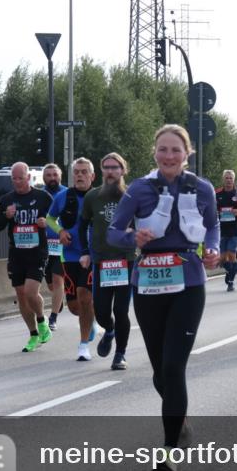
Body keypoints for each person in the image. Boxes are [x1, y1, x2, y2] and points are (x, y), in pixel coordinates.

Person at [108, 125, 220, 471]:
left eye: (176, 150)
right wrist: (132, 236)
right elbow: (112, 231)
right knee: (160, 372)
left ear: (188, 153)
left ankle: (169, 450)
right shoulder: (139, 189)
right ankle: (180, 417)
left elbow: (213, 225)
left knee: (174, 368)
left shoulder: (201, 189)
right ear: (154, 152)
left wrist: (214, 248)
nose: (169, 156)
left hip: (188, 282)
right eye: (163, 150)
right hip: (149, 285)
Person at [79, 153, 134, 370]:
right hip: (101, 261)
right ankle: (108, 331)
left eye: (115, 167)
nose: (110, 172)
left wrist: (136, 234)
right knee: (101, 311)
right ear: (102, 172)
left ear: (123, 170)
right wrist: (85, 251)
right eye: (106, 168)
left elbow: (144, 222)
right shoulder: (93, 197)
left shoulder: (131, 196)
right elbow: (82, 226)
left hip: (126, 260)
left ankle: (120, 354)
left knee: (121, 310)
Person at [0, 162, 53, 352]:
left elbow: (57, 222)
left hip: (37, 251)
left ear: (29, 178)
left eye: (21, 178)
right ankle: (33, 334)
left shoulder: (43, 197)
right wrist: (6, 215)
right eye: (14, 178)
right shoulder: (6, 200)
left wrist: (46, 223)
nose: (17, 182)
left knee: (30, 292)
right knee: (21, 296)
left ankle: (42, 320)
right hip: (16, 253)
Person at [48, 158, 97, 361]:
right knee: (76, 307)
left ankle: (83, 345)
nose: (79, 175)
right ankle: (91, 319)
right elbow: (50, 218)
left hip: (93, 255)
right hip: (69, 255)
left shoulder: (99, 197)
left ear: (92, 176)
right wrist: (59, 231)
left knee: (85, 296)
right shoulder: (62, 197)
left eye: (84, 172)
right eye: (76, 172)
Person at [41, 163, 67, 330]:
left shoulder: (67, 194)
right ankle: (59, 301)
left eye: (55, 175)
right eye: (49, 175)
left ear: (60, 176)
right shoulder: (39, 195)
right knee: (51, 284)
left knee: (58, 280)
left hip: (61, 245)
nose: (52, 178)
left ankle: (53, 317)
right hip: (43, 246)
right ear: (44, 177)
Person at [215, 169, 237, 291]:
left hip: (235, 228)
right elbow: (212, 209)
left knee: (231, 254)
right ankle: (234, 268)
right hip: (222, 228)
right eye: (226, 178)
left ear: (234, 180)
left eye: (231, 178)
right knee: (222, 259)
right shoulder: (217, 193)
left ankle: (231, 281)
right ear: (223, 179)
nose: (229, 180)